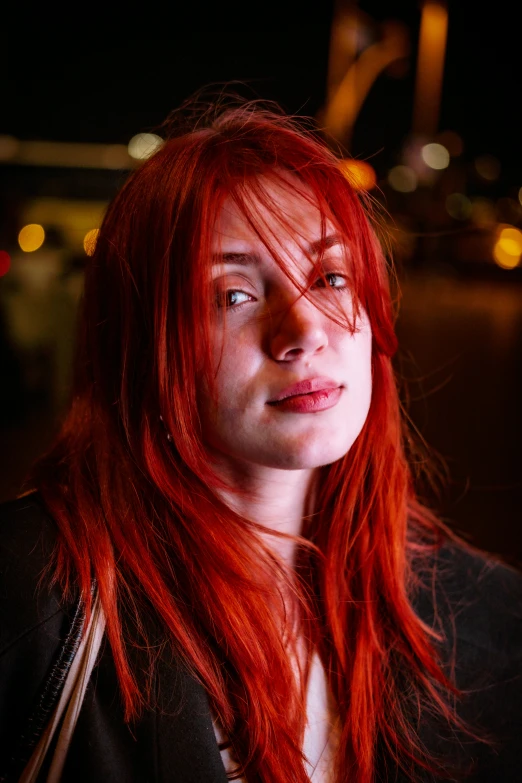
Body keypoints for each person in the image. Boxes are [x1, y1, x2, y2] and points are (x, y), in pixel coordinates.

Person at [1, 94, 521, 783]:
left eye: (330, 277)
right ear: (139, 348)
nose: (304, 330)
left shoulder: (493, 618)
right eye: (234, 295)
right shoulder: (30, 603)